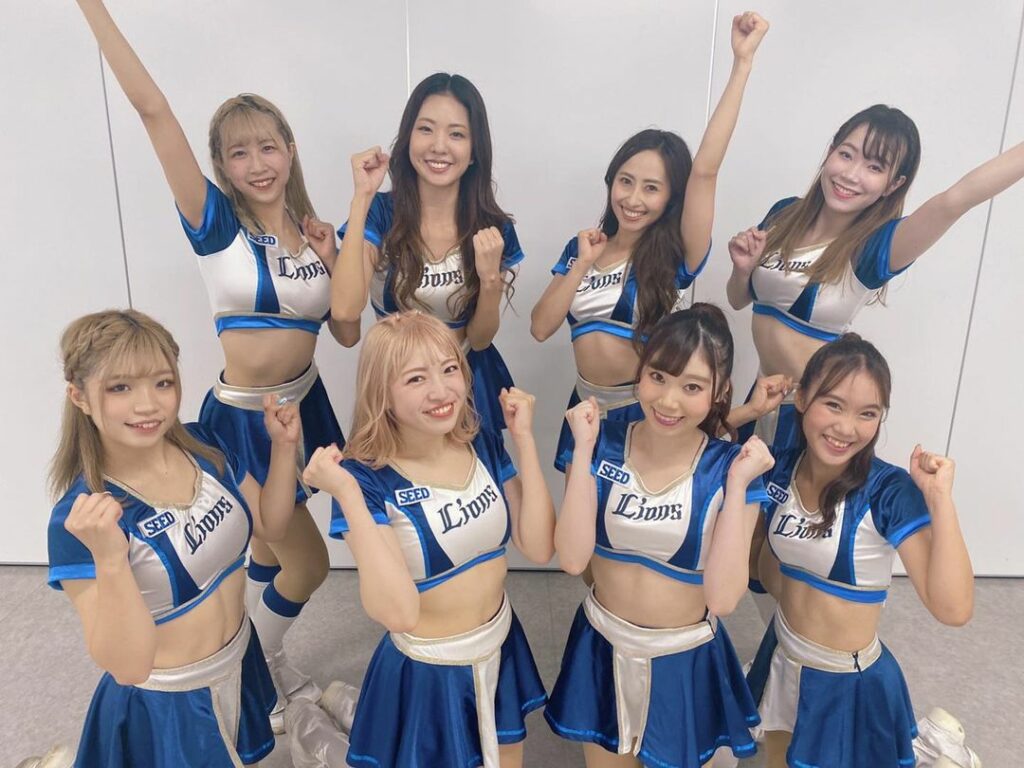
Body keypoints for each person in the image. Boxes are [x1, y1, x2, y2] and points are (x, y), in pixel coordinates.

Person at [74, 0, 349, 722]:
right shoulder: (216, 224)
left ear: (290, 150)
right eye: (239, 152)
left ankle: (251, 654)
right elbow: (153, 110)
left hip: (306, 404)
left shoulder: (316, 232)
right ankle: (262, 665)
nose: (257, 164)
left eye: (268, 147)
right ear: (222, 165)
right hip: (245, 420)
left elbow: (348, 327)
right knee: (308, 562)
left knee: (271, 550)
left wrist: (336, 255)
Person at [47, 309, 301, 766]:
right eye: (120, 387)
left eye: (162, 383)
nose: (149, 405)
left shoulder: (205, 446)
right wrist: (110, 559)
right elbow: (128, 666)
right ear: (79, 396)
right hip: (168, 705)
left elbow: (271, 525)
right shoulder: (81, 519)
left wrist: (283, 449)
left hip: (237, 658)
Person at [302, 311, 555, 768]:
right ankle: (315, 735)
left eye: (449, 368)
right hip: (427, 670)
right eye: (416, 378)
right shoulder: (365, 480)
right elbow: (398, 614)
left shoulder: (481, 442)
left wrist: (524, 440)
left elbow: (538, 547)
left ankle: (348, 703)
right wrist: (347, 495)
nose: (441, 392)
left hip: (499, 644)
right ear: (382, 392)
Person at [529, 12, 770, 471]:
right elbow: (541, 328)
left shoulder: (676, 254)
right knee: (581, 516)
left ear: (671, 197)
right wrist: (582, 263)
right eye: (625, 181)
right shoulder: (583, 247)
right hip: (585, 408)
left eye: (651, 188)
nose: (633, 199)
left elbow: (705, 171)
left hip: (644, 413)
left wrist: (741, 65)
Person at [545, 304, 776, 768]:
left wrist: (736, 489)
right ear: (641, 373)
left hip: (683, 658)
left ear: (719, 392)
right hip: (601, 646)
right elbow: (571, 559)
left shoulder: (731, 469)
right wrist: (583, 450)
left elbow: (723, 599)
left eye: (692, 387)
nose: (669, 402)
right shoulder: (600, 442)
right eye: (658, 377)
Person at [727, 103, 1024, 456]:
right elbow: (738, 300)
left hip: (818, 422)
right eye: (846, 154)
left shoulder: (875, 246)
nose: (851, 175)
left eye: (874, 167)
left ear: (893, 185)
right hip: (760, 403)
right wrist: (743, 270)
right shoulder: (784, 213)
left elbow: (955, 200)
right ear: (830, 151)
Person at [747, 334, 973, 768]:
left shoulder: (887, 491)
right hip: (783, 654)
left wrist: (939, 499)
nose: (847, 429)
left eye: (867, 413)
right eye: (833, 405)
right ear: (801, 398)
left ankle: (937, 749)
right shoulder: (779, 467)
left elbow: (954, 609)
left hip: (846, 680)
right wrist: (749, 414)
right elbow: (760, 570)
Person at [333, 73, 524, 433]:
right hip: (395, 395)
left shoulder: (493, 227)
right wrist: (362, 198)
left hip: (462, 391)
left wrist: (489, 280)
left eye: (456, 134)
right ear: (408, 138)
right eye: (425, 129)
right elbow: (344, 310)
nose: (439, 146)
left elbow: (480, 339)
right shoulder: (381, 214)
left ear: (474, 151)